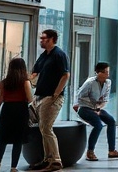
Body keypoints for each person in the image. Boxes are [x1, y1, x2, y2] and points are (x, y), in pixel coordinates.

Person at [29, 29, 70, 172]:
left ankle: (55, 161)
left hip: (51, 97)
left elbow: (65, 75)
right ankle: (48, 160)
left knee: (46, 128)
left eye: (44, 38)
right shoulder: (44, 56)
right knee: (43, 128)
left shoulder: (59, 55)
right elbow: (34, 73)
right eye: (40, 38)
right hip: (40, 96)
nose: (41, 40)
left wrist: (55, 94)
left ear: (52, 39)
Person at [73, 62, 118, 161]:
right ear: (98, 73)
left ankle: (112, 150)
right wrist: (93, 106)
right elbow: (80, 96)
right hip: (84, 108)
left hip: (97, 108)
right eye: (106, 72)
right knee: (98, 125)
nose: (108, 74)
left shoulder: (107, 82)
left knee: (111, 121)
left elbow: (105, 99)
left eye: (108, 72)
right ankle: (90, 152)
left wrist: (98, 108)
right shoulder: (90, 82)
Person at [0, 58, 32, 172]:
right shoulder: (25, 82)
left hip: (7, 110)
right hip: (21, 110)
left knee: (2, 140)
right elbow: (30, 99)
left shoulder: (3, 83)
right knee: (17, 140)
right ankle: (13, 167)